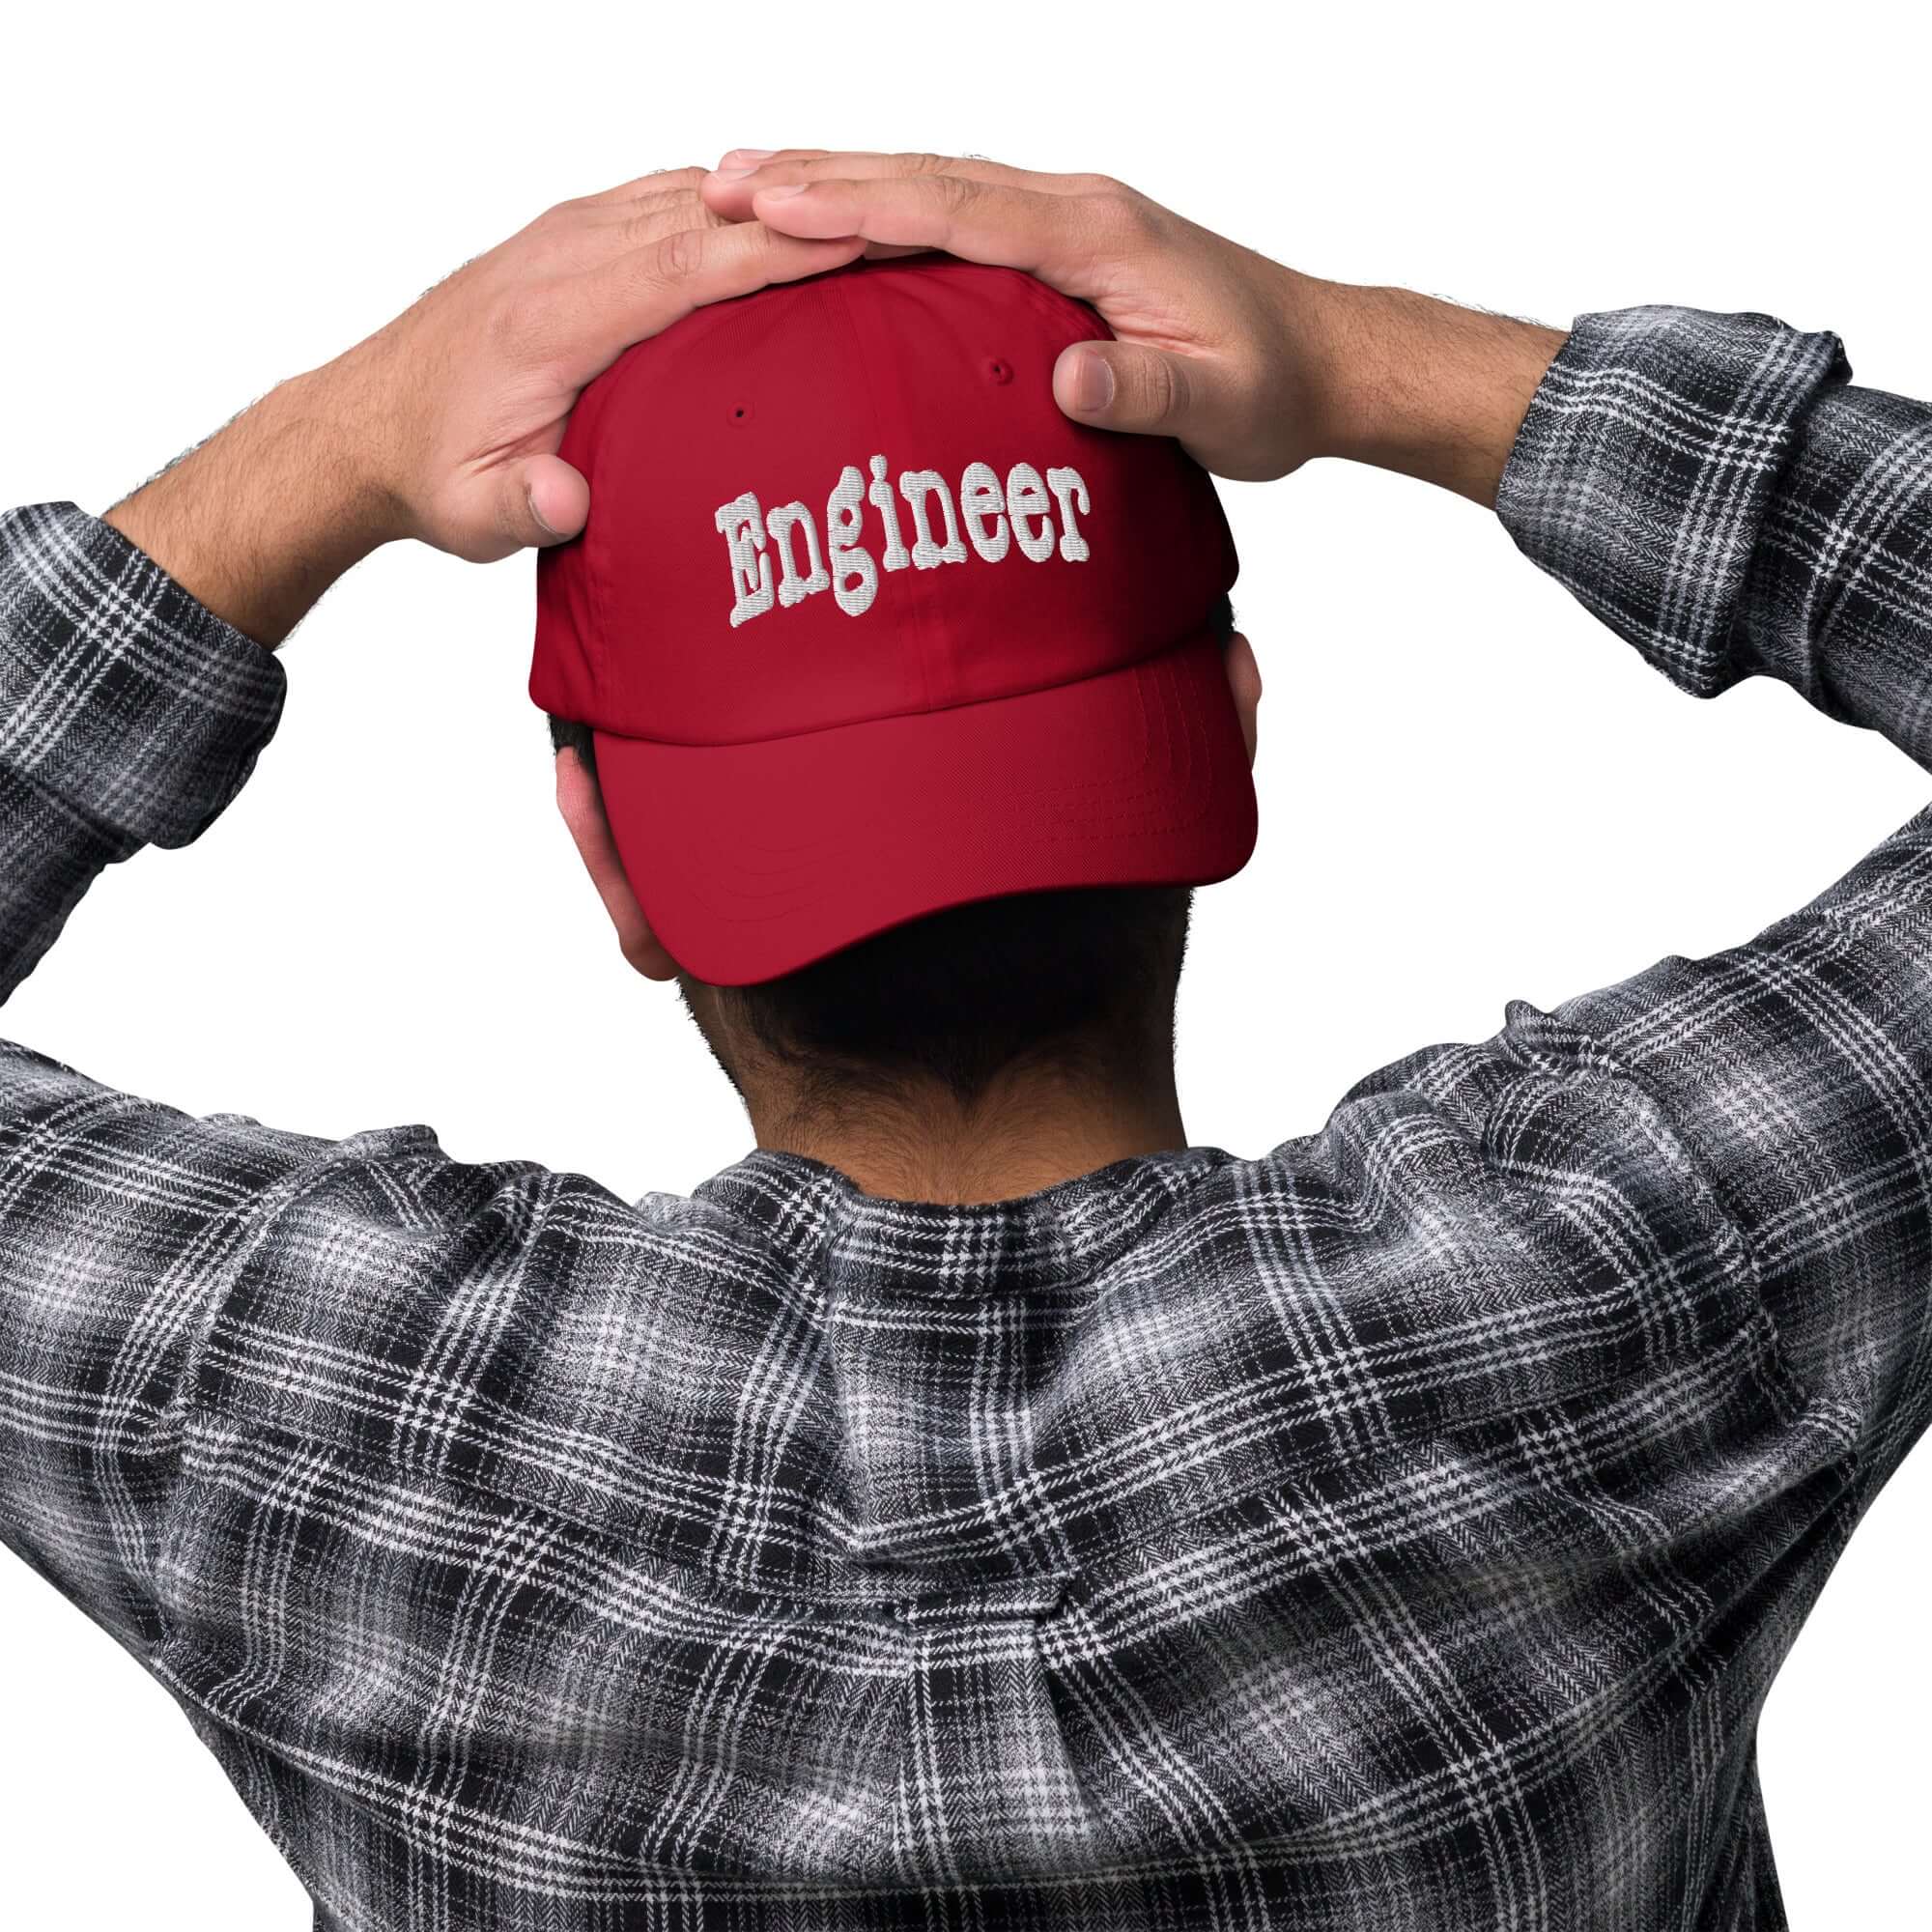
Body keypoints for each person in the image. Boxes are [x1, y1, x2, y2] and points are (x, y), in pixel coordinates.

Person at [1, 148, 1926, 1931]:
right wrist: (1364, 366)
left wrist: (325, 451)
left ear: (611, 857)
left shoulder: (303, 1423)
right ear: (1226, 738)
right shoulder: (1608, 1295)